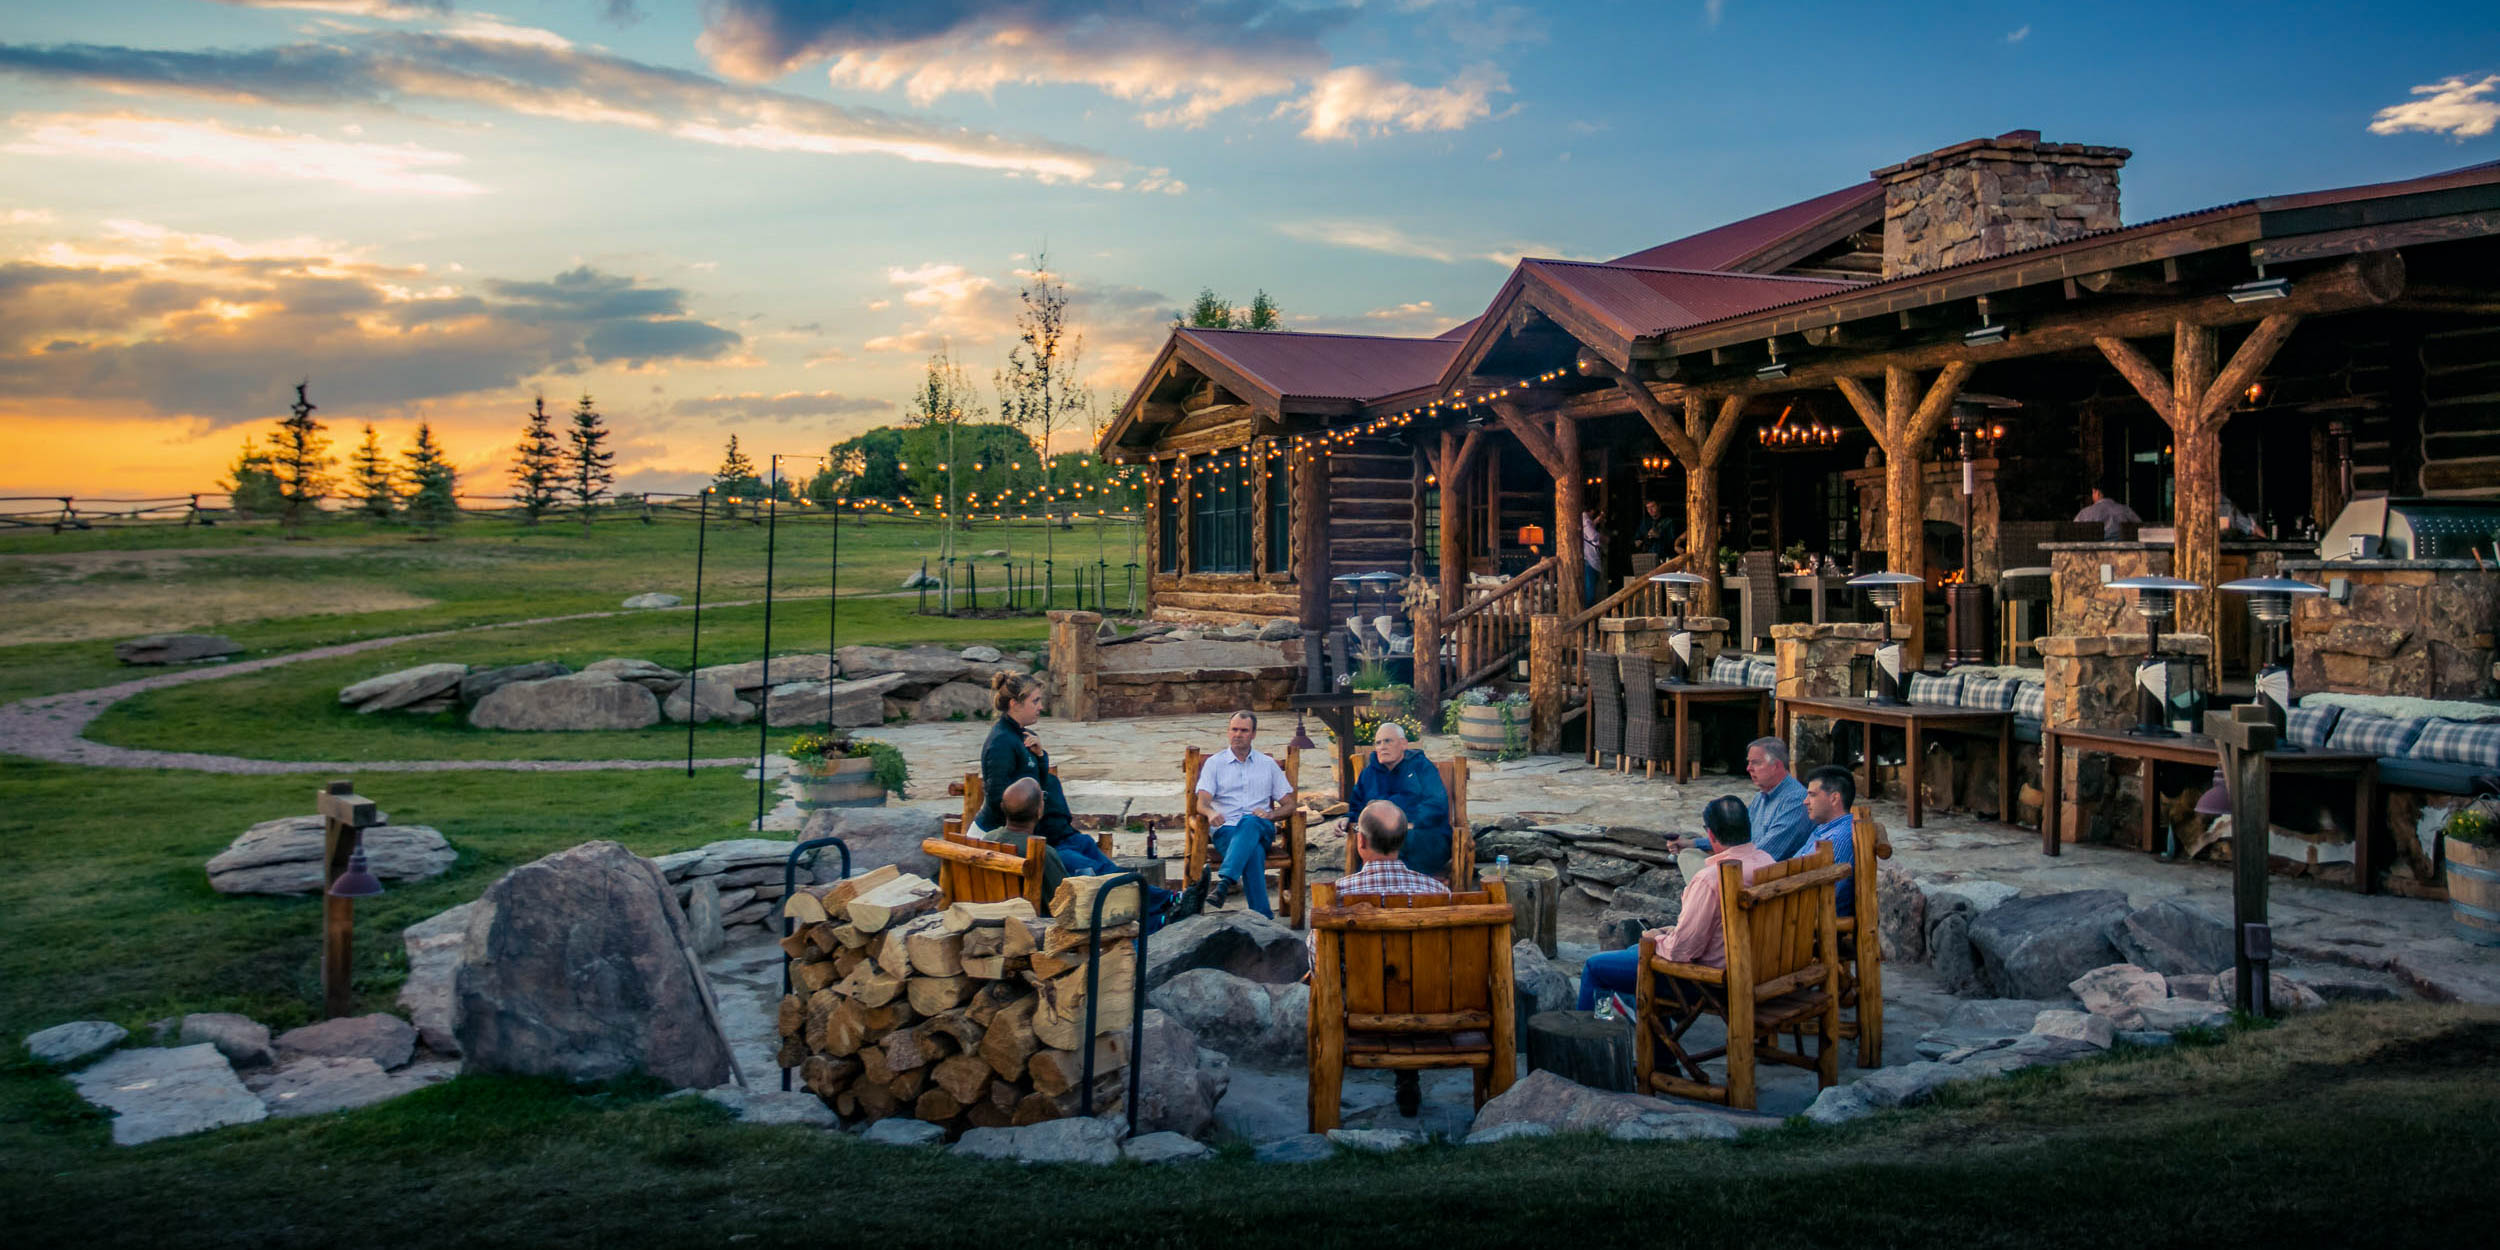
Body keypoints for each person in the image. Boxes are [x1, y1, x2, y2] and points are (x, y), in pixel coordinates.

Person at [980, 673, 1198, 926]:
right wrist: (1037, 820)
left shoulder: (1020, 736)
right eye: (1036, 701)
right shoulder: (1001, 744)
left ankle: (1167, 904)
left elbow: (1036, 783)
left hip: (1050, 833)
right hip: (1032, 843)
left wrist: (1040, 757)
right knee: (1098, 874)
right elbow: (1001, 801)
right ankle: (1169, 904)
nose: (1041, 706)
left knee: (1093, 851)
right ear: (1015, 704)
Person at [1575, 796, 1772, 1010]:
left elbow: (1682, 951)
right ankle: (1647, 1031)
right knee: (1633, 952)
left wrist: (1658, 938)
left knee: (1596, 967)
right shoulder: (1767, 863)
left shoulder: (1711, 879)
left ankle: (1599, 1026)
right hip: (1757, 970)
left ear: (1711, 834)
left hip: (1708, 981)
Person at [1322, 799, 1449, 1117]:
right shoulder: (1438, 894)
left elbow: (1318, 960)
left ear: (1360, 841)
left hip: (1363, 1009)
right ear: (1403, 841)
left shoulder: (1337, 895)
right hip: (1428, 1006)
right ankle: (1407, 1073)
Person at [1194, 710, 1299, 918]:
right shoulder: (1215, 763)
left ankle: (1226, 880)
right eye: (1234, 729)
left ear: (1253, 734)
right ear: (1228, 731)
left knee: (1250, 821)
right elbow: (1202, 802)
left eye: (1243, 730)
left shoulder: (1267, 765)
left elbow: (1290, 805)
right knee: (1254, 853)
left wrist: (1271, 815)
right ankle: (1263, 918)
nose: (1237, 734)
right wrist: (1210, 812)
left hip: (1261, 827)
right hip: (1227, 831)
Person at [1342, 722, 1451, 878]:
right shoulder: (1368, 774)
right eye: (1378, 743)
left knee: (1399, 846)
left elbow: (1436, 804)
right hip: (1380, 841)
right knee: (1376, 847)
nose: (1382, 746)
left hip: (1423, 835)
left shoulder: (1421, 767)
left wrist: (1407, 824)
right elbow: (1357, 806)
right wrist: (1348, 818)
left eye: (1388, 741)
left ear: (1403, 744)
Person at [1792, 766, 1860, 917]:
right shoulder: (1824, 829)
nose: (1805, 802)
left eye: (1812, 795)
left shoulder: (1839, 838)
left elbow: (1824, 898)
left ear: (1834, 798)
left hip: (1807, 924)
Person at [2074, 481, 2141, 540]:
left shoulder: (2085, 513)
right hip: (2123, 552)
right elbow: (2140, 529)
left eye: (2093, 493)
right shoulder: (2125, 510)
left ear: (2097, 492)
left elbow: (2073, 533)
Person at [1633, 497, 1678, 565]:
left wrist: (1659, 535)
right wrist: (1637, 542)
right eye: (1648, 508)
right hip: (1648, 559)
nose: (1650, 510)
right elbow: (1637, 538)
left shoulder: (1668, 522)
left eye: (1653, 507)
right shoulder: (1645, 522)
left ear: (1659, 506)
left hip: (1664, 559)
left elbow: (1673, 542)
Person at [1581, 510, 1604, 606]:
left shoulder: (1586, 520)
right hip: (1590, 559)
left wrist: (1595, 521)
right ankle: (1587, 617)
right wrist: (1604, 538)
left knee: (1590, 588)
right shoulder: (1585, 518)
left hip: (1589, 559)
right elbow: (1592, 536)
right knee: (1590, 591)